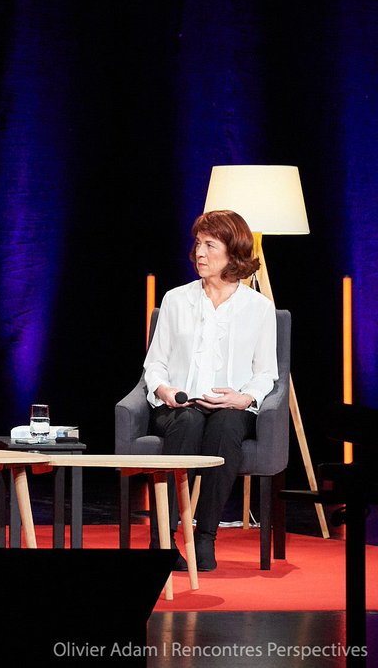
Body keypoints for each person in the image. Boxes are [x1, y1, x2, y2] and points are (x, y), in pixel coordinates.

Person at [143, 209, 278, 571]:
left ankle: (205, 537)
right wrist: (165, 389)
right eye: (197, 245)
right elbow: (153, 363)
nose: (199, 253)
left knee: (227, 427)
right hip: (178, 406)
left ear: (233, 253)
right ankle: (162, 538)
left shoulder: (259, 309)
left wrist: (243, 398)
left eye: (209, 245)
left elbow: (266, 373)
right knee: (187, 423)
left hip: (230, 407)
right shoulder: (176, 299)